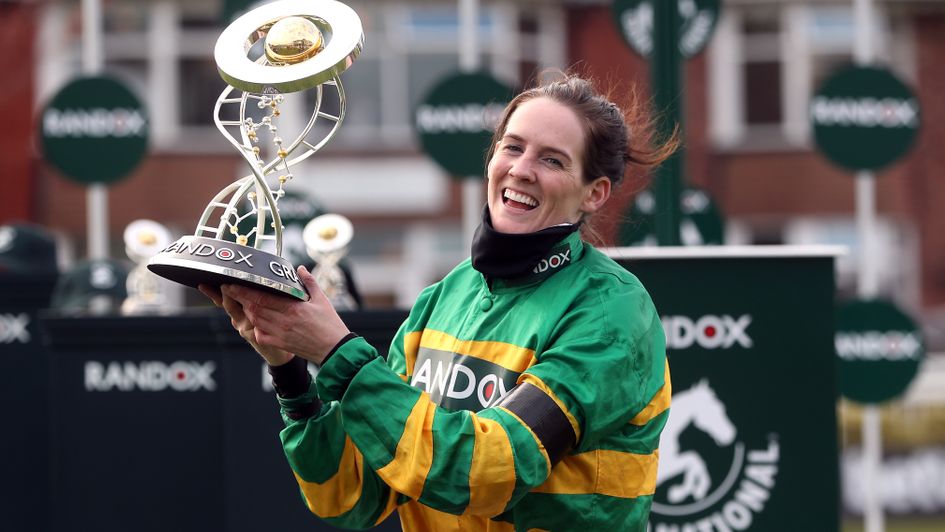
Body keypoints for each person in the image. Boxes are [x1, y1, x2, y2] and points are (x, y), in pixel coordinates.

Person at [201, 73, 675, 531]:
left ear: (594, 193)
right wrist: (290, 374)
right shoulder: (446, 295)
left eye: (552, 160)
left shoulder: (611, 311)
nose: (522, 169)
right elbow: (351, 497)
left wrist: (336, 353)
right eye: (512, 146)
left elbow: (486, 474)